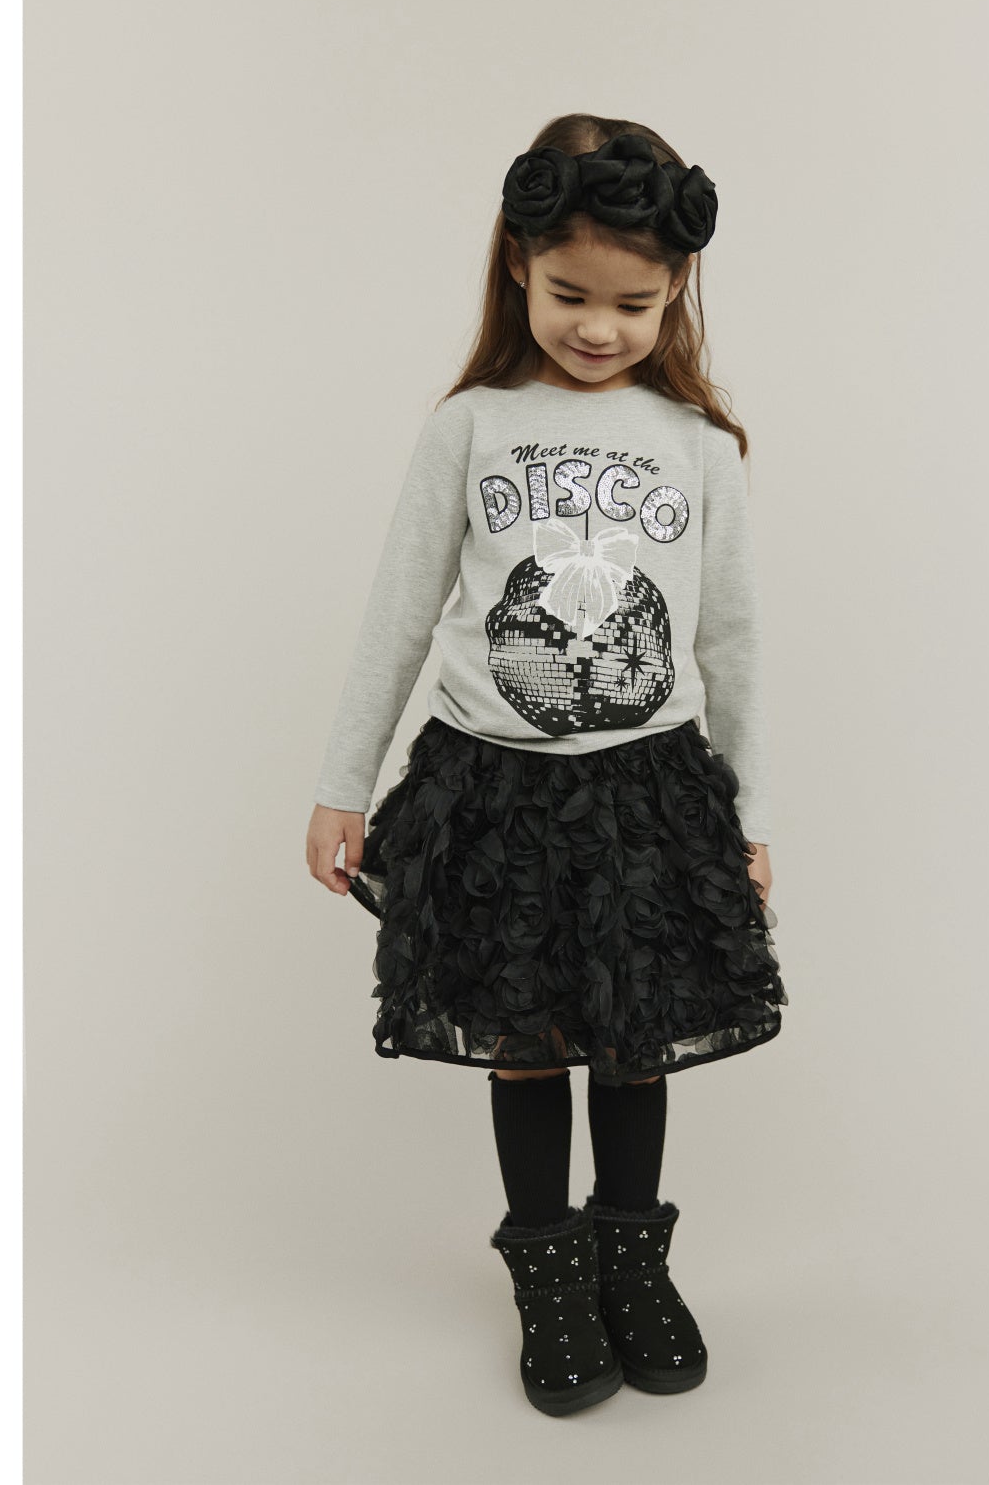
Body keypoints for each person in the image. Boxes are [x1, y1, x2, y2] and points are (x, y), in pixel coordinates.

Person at [305, 114, 788, 1416]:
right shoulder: (469, 427)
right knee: (525, 1039)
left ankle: (634, 1262)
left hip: (649, 788)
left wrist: (749, 814)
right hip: (493, 789)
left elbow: (733, 641)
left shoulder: (698, 447)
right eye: (572, 294)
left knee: (634, 1041)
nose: (599, 327)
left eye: (635, 303)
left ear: (677, 290)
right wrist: (344, 784)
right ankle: (549, 1275)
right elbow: (400, 615)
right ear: (518, 264)